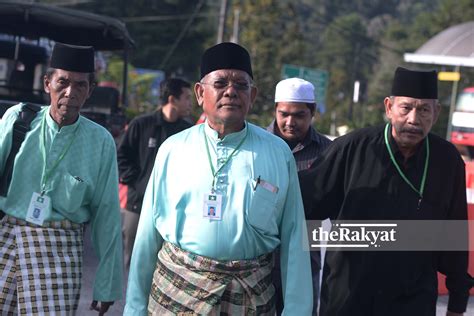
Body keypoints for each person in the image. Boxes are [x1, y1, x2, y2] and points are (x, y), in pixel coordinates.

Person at [124, 42, 313, 315]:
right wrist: (134, 306)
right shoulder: (173, 149)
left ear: (253, 95)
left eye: (241, 85)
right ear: (200, 93)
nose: (231, 92)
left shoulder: (277, 152)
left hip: (250, 295)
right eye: (221, 82)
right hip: (176, 293)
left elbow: (295, 237)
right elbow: (147, 236)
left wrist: (296, 309)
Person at [309, 67, 470, 316]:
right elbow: (306, 203)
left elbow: (454, 234)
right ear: (389, 107)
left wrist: (457, 304)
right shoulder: (352, 148)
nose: (414, 119)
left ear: (436, 113)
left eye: (424, 110)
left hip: (412, 300)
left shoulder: (447, 161)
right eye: (406, 108)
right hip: (349, 298)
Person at [0, 43, 122, 315]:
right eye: (62, 82)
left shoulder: (100, 141)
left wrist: (107, 284)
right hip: (4, 238)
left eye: (80, 85)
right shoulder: (18, 119)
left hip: (58, 252)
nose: (70, 92)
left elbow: (107, 216)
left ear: (90, 91)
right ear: (47, 84)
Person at [267, 77, 331, 316]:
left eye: (299, 115)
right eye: (284, 114)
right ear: (275, 110)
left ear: (312, 112)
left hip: (305, 254)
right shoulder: (258, 145)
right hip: (260, 255)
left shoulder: (328, 152)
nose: (290, 122)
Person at [117, 78, 192, 269]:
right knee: (133, 262)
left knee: (165, 264)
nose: (191, 103)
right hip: (137, 206)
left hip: (173, 210)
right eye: (187, 98)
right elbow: (121, 156)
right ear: (172, 99)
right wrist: (138, 183)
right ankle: (130, 299)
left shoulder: (187, 131)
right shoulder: (141, 124)